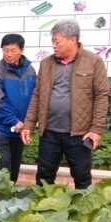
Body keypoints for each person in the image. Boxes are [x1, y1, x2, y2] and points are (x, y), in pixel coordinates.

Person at [21, 19, 109, 189]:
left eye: (57, 41)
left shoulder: (94, 61)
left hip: (79, 135)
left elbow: (101, 96)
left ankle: (83, 214)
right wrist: (28, 125)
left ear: (73, 40)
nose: (53, 45)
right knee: (44, 178)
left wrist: (96, 129)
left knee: (82, 178)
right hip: (49, 133)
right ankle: (43, 211)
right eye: (52, 41)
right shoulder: (46, 63)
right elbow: (37, 95)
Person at [0, 34, 36, 183]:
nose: (9, 54)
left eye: (13, 50)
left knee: (14, 170)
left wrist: (29, 123)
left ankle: (10, 202)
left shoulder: (30, 71)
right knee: (4, 169)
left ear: (22, 50)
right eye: (5, 50)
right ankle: (1, 202)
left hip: (20, 129)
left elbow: (35, 97)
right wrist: (14, 121)